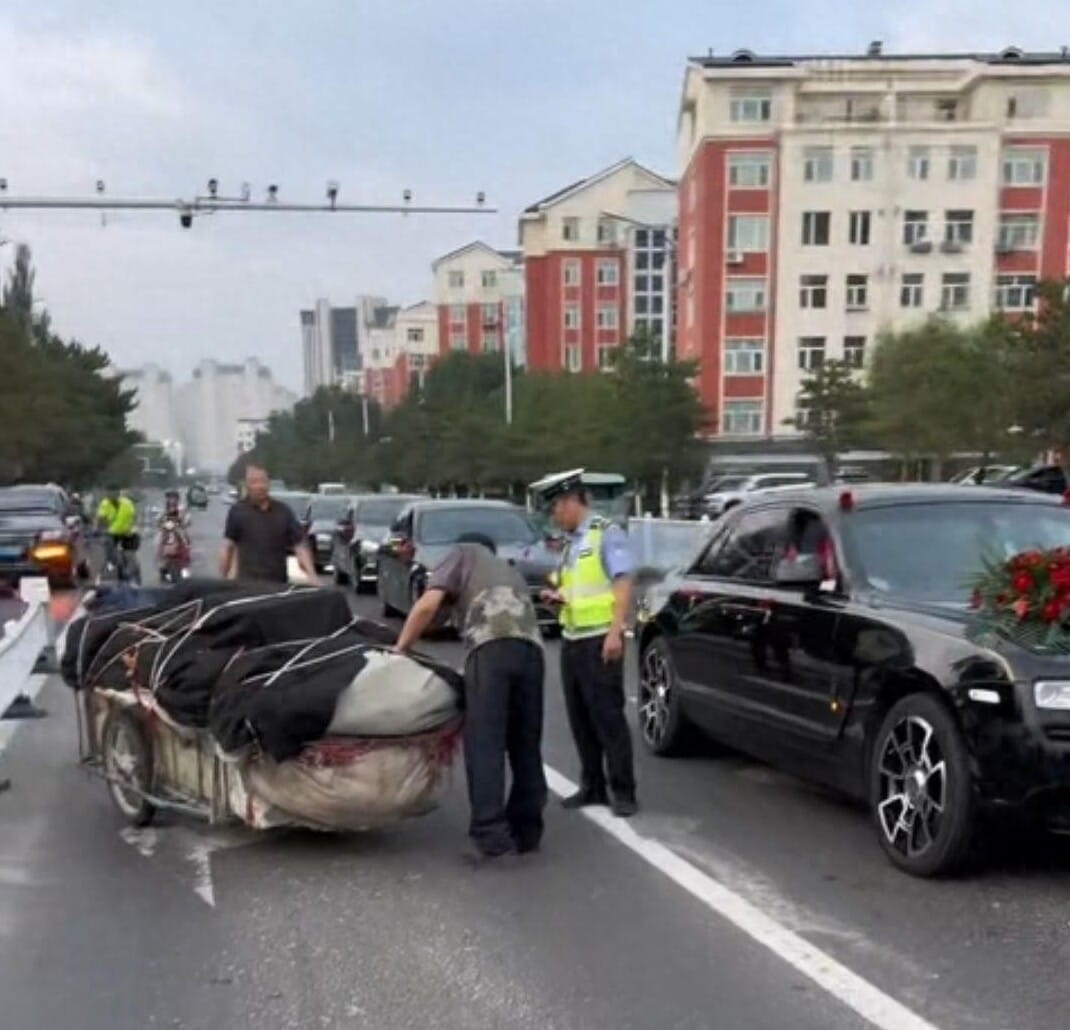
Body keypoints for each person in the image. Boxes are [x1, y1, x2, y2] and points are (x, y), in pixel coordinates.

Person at [396, 532, 546, 860]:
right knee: (524, 742)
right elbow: (443, 619)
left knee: (485, 741)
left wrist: (401, 648)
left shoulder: (462, 553)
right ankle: (527, 829)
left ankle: (490, 833)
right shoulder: (509, 570)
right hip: (532, 652)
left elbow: (427, 606)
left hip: (490, 647)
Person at [535, 469, 638, 818]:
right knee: (580, 719)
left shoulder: (605, 534)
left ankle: (623, 790)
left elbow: (622, 582)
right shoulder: (571, 543)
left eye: (556, 508)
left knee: (608, 717)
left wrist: (615, 632)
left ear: (571, 502)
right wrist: (558, 596)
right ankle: (592, 785)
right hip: (572, 637)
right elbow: (580, 586)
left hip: (599, 638)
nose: (554, 516)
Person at [219, 464, 319, 584]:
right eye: (254, 482)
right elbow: (228, 547)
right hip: (247, 585)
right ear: (247, 485)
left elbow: (300, 546)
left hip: (277, 584)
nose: (259, 486)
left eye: (263, 481)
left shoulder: (283, 512)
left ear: (268, 483)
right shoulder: (238, 512)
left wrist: (312, 576)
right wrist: (223, 581)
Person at [95, 485, 139, 581]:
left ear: (119, 493)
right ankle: (112, 572)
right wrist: (99, 530)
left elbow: (134, 518)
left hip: (128, 534)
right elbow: (101, 519)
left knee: (129, 555)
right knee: (110, 554)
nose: (112, 495)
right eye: (109, 493)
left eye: (114, 492)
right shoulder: (105, 504)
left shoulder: (127, 503)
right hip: (112, 534)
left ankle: (132, 575)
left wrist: (132, 528)